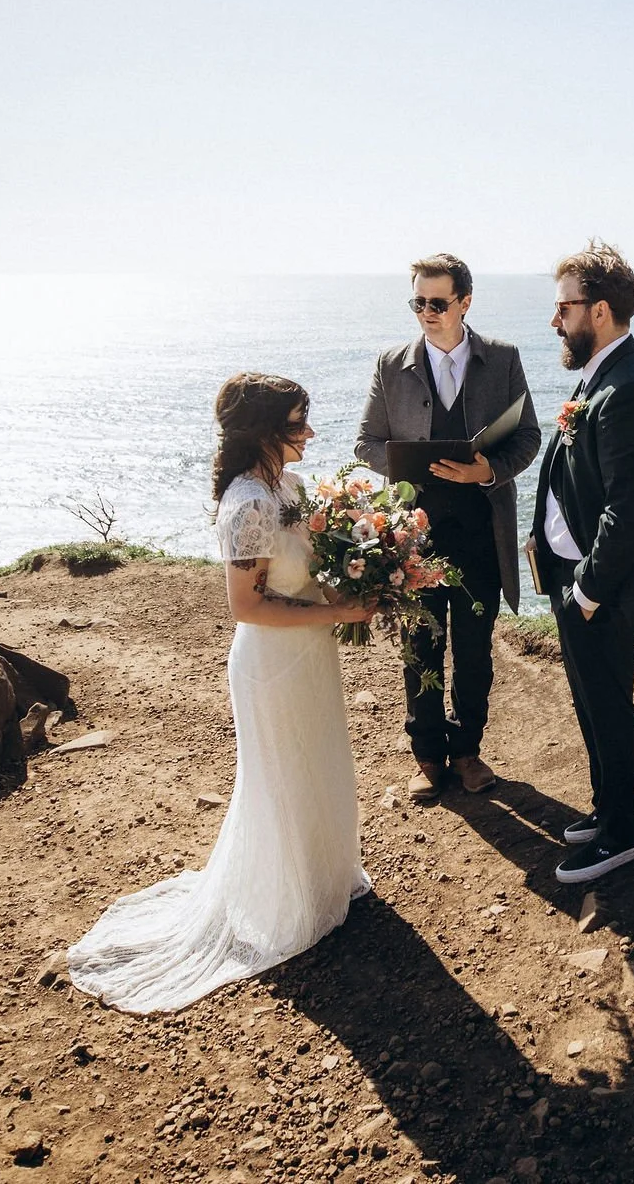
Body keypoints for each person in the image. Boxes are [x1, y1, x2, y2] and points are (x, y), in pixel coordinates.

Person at [66, 373, 375, 1012]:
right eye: (298, 422)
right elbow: (247, 606)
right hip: (273, 663)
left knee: (318, 765)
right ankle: (287, 903)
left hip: (308, 657)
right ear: (265, 432)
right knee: (282, 778)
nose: (310, 433)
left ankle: (322, 880)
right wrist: (338, 616)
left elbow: (311, 565)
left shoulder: (285, 487)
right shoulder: (250, 505)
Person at [356, 254, 541, 805]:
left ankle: (468, 752)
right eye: (419, 302)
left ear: (465, 301)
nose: (427, 313)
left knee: (476, 647)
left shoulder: (503, 359)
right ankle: (427, 756)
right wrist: (408, 463)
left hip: (483, 533)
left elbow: (527, 437)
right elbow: (364, 443)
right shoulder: (391, 363)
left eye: (438, 303)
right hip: (414, 536)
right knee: (420, 645)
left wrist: (490, 470)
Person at [529, 241, 634, 884]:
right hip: (577, 576)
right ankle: (609, 808)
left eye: (565, 306)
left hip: (603, 589)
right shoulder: (603, 377)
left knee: (609, 706)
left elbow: (630, 513)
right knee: (592, 703)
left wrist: (586, 589)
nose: (555, 319)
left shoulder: (630, 390)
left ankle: (623, 833)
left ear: (602, 311)